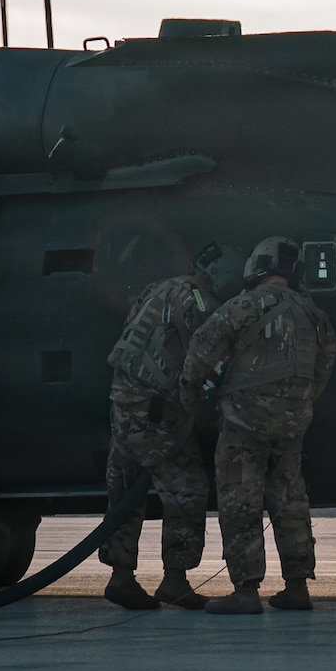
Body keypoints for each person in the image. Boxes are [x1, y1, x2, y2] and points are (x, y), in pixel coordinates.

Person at [179, 237, 336, 615]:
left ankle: (246, 590)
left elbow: (201, 353)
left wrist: (191, 406)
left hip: (243, 422)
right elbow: (324, 366)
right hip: (292, 424)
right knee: (290, 501)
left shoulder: (241, 307)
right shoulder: (314, 314)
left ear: (258, 266)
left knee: (240, 502)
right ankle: (297, 586)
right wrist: (298, 402)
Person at [98, 242, 244, 610]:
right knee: (189, 490)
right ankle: (175, 580)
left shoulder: (158, 288)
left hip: (123, 403)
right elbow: (204, 360)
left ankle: (121, 576)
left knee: (124, 490)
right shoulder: (199, 304)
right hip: (157, 414)